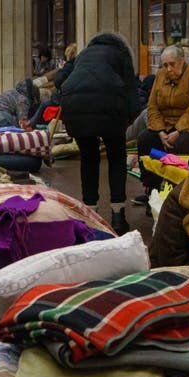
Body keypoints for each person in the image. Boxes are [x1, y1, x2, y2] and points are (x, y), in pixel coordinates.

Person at [58, 32, 139, 233]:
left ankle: (89, 214)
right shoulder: (121, 55)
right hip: (111, 105)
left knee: (89, 158)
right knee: (116, 157)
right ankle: (118, 216)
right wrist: (129, 118)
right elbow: (131, 89)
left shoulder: (84, 54)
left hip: (76, 105)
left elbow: (60, 78)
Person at [135, 45, 189, 203]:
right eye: (165, 65)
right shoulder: (160, 76)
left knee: (181, 143)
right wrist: (160, 132)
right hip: (166, 127)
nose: (168, 69)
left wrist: (178, 131)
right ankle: (152, 188)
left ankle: (178, 191)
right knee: (145, 140)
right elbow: (152, 107)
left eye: (172, 64)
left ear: (182, 61)